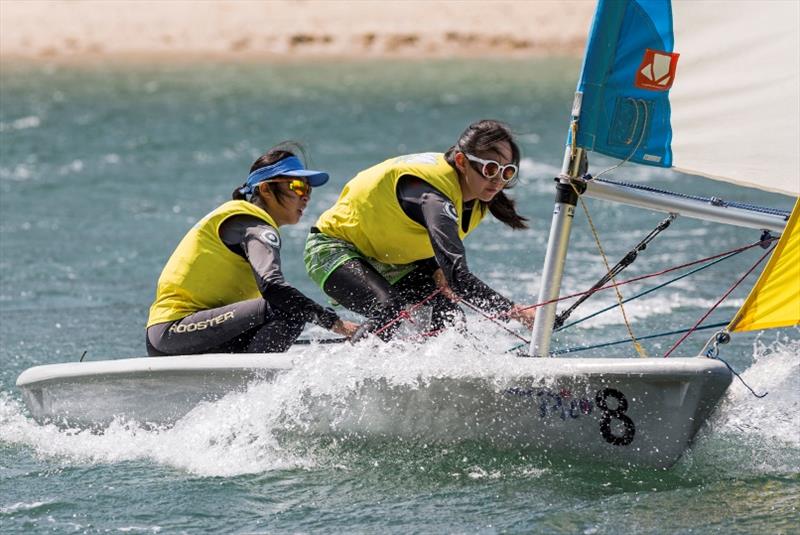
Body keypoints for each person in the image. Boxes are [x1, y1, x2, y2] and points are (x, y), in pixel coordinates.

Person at [304, 119, 536, 341]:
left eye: (506, 172)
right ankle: (348, 372)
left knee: (448, 315)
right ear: (462, 161)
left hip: (388, 257)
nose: (497, 181)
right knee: (388, 308)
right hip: (333, 249)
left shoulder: (478, 194)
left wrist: (434, 267)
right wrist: (517, 312)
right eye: (490, 168)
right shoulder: (431, 196)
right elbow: (459, 278)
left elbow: (411, 232)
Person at [146, 142, 359, 356]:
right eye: (297, 186)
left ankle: (251, 381)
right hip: (173, 332)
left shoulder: (244, 220)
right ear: (265, 189)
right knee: (287, 309)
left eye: (308, 189)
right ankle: (256, 385)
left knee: (291, 309)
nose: (306, 196)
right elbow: (273, 287)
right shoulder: (254, 225)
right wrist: (335, 323)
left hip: (190, 334)